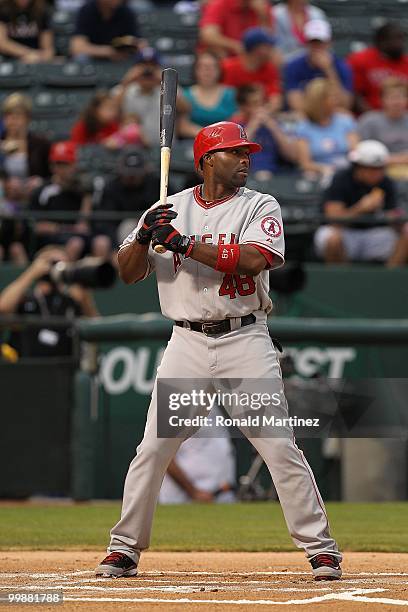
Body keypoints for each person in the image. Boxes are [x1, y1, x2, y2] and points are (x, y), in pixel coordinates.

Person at [95, 120, 342, 581]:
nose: (246, 160)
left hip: (244, 339)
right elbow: (126, 273)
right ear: (208, 159)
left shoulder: (259, 204)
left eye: (247, 152)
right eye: (235, 152)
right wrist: (148, 233)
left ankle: (321, 549)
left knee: (277, 447)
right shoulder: (167, 208)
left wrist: (184, 244)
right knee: (154, 448)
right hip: (186, 342)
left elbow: (254, 259)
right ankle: (124, 547)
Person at [315, 140, 408, 266]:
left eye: (380, 168)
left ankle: (386, 281)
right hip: (345, 232)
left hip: (375, 234)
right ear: (358, 167)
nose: (377, 173)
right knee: (332, 239)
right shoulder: (341, 179)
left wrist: (394, 218)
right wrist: (360, 208)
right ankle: (340, 282)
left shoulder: (386, 182)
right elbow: (333, 218)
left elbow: (392, 213)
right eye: (372, 169)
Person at [0, 245, 98, 358]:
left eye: (63, 264)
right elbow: (3, 308)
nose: (57, 267)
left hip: (63, 370)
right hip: (25, 369)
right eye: (53, 263)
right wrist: (31, 273)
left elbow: (96, 328)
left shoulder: (71, 301)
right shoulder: (26, 298)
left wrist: (85, 298)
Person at [93, 147, 170, 249]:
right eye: (129, 173)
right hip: (120, 236)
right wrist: (114, 248)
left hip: (152, 230)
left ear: (145, 169)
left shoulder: (156, 184)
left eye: (136, 173)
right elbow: (105, 222)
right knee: (125, 227)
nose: (132, 177)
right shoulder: (112, 187)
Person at [159, 407, 236, 504]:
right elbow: (164, 456)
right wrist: (193, 492)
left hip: (219, 495)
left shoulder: (210, 404)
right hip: (184, 500)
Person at [284, 19, 353, 114]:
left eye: (320, 43)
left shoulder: (341, 66)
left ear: (329, 43)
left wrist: (329, 70)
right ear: (306, 43)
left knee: (345, 116)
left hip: (331, 114)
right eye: (313, 43)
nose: (316, 47)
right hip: (306, 116)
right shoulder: (293, 66)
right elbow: (296, 104)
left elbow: (345, 104)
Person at [295, 78, 358, 179]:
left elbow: (355, 151)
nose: (337, 101)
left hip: (347, 173)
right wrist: (325, 169)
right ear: (320, 101)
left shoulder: (345, 120)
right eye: (332, 97)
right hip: (319, 174)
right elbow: (305, 163)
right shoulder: (304, 127)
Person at [232, 84, 297, 179]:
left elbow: (292, 156)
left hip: (276, 175)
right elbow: (235, 154)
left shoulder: (274, 123)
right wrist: (253, 125)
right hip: (246, 177)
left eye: (263, 102)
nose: (261, 107)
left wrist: (273, 127)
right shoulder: (235, 126)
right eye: (255, 103)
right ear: (243, 107)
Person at [347, 22, 408, 113]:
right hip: (368, 118)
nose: (399, 44)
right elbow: (355, 96)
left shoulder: (406, 62)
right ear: (381, 41)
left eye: (401, 39)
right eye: (395, 39)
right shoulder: (360, 60)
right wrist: (376, 118)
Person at [178, 51, 237, 139]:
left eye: (212, 67)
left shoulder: (232, 94)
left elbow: (238, 123)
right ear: (195, 70)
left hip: (226, 143)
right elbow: (183, 127)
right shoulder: (185, 95)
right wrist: (209, 136)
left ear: (220, 70)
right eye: (203, 67)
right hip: (194, 143)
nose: (208, 71)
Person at [0, 93, 50, 195]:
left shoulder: (41, 144)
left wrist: (41, 182)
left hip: (33, 197)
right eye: (8, 116)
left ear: (27, 119)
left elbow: (52, 175)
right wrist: (5, 182)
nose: (13, 120)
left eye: (18, 115)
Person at [357, 78, 408, 178]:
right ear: (382, 99)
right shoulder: (369, 121)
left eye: (401, 97)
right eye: (392, 98)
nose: (397, 102)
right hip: (378, 170)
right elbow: (360, 151)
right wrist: (393, 159)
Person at [222, 28, 282, 112]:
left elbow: (275, 102)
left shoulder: (269, 69)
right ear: (257, 50)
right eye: (268, 46)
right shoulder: (229, 68)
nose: (271, 50)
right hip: (233, 116)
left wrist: (260, 114)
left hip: (261, 115)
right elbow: (223, 101)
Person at [114, 47, 162, 147]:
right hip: (130, 149)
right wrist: (126, 81)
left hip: (164, 151)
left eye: (152, 65)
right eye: (143, 65)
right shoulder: (125, 89)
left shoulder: (166, 88)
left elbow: (184, 108)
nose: (148, 70)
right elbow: (111, 112)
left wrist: (164, 80)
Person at [70, 0, 140, 61]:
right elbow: (77, 48)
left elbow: (140, 44)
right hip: (94, 59)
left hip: (120, 59)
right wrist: (108, 52)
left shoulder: (126, 12)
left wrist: (128, 48)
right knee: (81, 58)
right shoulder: (87, 10)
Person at [199, 0, 273, 57]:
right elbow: (208, 35)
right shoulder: (221, 4)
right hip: (229, 55)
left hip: (253, 56)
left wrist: (262, 15)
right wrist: (235, 46)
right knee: (217, 50)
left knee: (273, 53)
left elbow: (269, 38)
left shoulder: (262, 7)